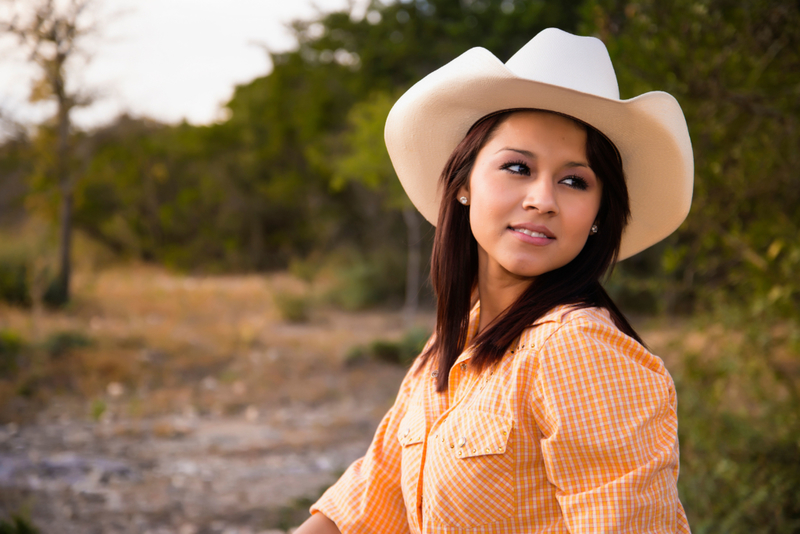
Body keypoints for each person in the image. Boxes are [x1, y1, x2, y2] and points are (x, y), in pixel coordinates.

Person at [295, 28, 693, 533]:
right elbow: (373, 496)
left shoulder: (579, 348)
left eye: (574, 180)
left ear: (597, 214)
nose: (542, 199)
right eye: (517, 167)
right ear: (462, 184)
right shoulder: (453, 341)